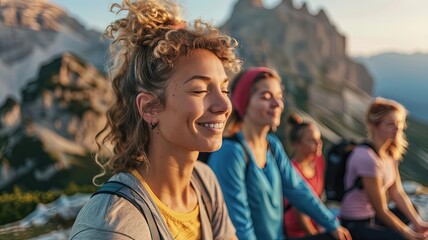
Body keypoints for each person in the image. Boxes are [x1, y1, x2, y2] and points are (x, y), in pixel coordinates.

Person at [69, 0, 242, 239]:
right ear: (150, 107)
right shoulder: (112, 228)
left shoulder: (204, 181)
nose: (224, 106)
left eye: (224, 90)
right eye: (199, 90)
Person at [207, 67, 352, 240]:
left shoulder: (272, 146)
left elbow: (298, 189)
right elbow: (238, 224)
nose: (277, 104)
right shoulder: (230, 153)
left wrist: (332, 224)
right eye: (266, 97)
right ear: (243, 102)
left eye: (279, 97)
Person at [340, 97, 428, 240]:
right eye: (390, 124)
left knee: (413, 210)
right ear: (375, 126)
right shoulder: (366, 158)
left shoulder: (390, 153)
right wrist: (408, 234)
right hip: (355, 223)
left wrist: (417, 223)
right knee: (401, 238)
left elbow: (396, 191)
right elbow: (381, 210)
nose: (397, 128)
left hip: (373, 218)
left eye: (399, 123)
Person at [284, 114, 326, 237]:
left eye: (319, 138)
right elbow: (300, 215)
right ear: (297, 144)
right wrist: (316, 236)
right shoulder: (292, 170)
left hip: (315, 224)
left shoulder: (319, 161)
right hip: (296, 232)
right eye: (312, 140)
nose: (319, 143)